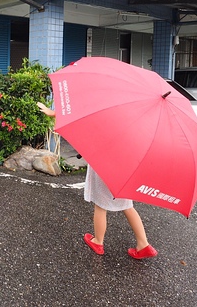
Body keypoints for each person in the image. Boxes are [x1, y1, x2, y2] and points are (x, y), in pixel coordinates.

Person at [36, 101, 158, 259]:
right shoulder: (135, 122)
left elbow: (83, 120)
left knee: (100, 206)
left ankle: (98, 241)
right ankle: (143, 244)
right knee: (127, 205)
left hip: (104, 166)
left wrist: (55, 114)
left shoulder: (109, 111)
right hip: (125, 167)